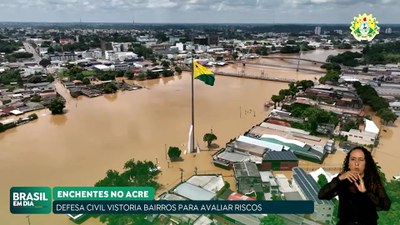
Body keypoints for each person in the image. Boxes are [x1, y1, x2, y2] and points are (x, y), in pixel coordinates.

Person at [318, 146, 391, 225]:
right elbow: (322, 195)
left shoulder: (372, 180)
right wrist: (339, 178)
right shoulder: (342, 179)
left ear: (366, 163)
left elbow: (385, 205)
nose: (356, 163)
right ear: (348, 163)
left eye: (361, 160)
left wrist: (365, 193)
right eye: (353, 159)